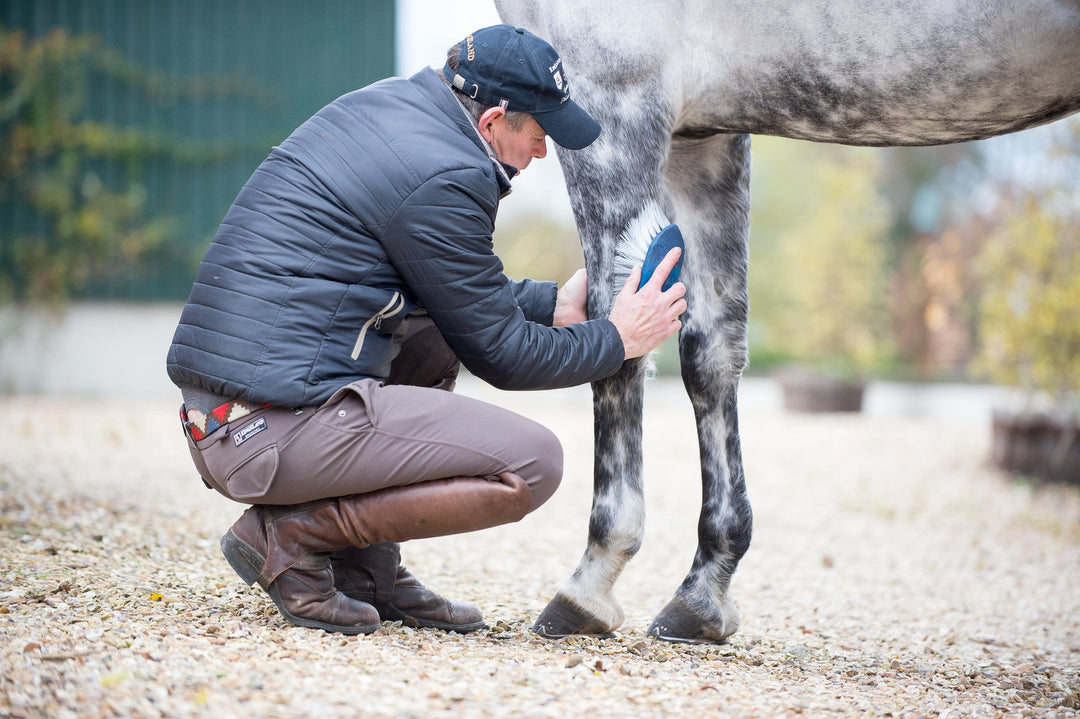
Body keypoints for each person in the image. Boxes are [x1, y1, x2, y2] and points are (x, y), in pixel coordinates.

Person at [166, 24, 686, 635]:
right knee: (531, 464)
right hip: (263, 436)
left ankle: (366, 573)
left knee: (438, 330)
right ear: (494, 119)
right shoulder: (448, 174)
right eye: (539, 134)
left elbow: (450, 288)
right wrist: (618, 339)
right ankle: (291, 534)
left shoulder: (396, 114)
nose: (543, 153)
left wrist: (551, 306)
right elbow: (505, 358)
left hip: (234, 418)